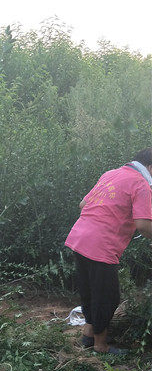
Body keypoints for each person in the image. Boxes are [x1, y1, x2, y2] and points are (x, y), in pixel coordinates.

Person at [64, 148, 152, 354]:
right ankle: (101, 346)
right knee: (108, 297)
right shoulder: (141, 184)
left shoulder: (111, 174)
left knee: (91, 291)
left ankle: (88, 334)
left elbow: (83, 203)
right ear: (150, 167)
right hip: (101, 244)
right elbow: (143, 225)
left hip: (80, 237)